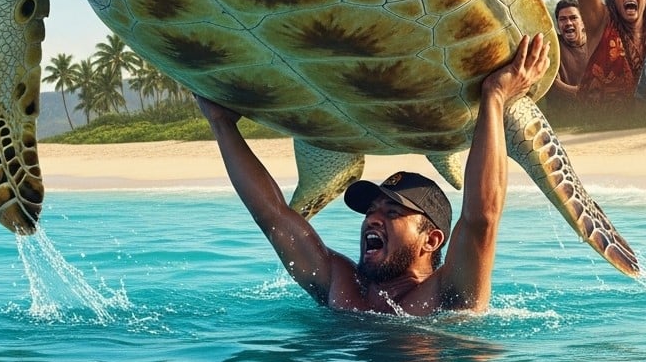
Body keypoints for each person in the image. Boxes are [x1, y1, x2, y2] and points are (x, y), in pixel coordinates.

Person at [196, 34, 551, 316]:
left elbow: (481, 218)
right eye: (372, 211)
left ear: (431, 240)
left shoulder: (451, 295)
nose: (373, 220)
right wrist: (221, 123)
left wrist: (495, 96)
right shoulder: (340, 283)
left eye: (393, 213)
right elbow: (273, 216)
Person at [545, 0, 589, 106]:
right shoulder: (551, 46)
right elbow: (550, 82)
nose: (568, 23)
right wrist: (582, 93)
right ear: (558, 25)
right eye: (563, 19)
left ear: (583, 22)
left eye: (573, 18)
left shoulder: (598, 44)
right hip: (563, 115)